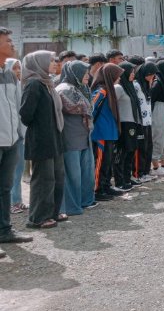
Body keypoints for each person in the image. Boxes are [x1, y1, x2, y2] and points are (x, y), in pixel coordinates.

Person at [20, 51, 66, 229]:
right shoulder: (34, 84)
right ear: (39, 63)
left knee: (57, 177)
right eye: (51, 61)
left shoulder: (48, 83)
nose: (55, 63)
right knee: (43, 179)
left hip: (54, 136)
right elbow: (25, 114)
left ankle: (52, 213)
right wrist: (42, 126)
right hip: (41, 139)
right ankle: (38, 217)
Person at [0, 29, 33, 254]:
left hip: (11, 140)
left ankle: (5, 230)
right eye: (8, 41)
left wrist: (20, 134)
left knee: (5, 188)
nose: (13, 44)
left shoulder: (10, 74)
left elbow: (15, 107)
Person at [56, 60, 97, 215]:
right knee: (73, 174)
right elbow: (80, 107)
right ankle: (72, 206)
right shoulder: (64, 89)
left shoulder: (80, 88)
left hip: (83, 135)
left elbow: (88, 107)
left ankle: (86, 201)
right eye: (85, 72)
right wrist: (87, 105)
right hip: (71, 137)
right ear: (75, 73)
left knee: (85, 172)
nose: (88, 75)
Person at [91, 63, 124, 200]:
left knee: (108, 161)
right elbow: (91, 109)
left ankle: (105, 185)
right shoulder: (102, 91)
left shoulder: (109, 90)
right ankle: (97, 190)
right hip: (100, 132)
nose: (119, 79)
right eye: (117, 76)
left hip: (109, 131)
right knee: (100, 162)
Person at [113, 62, 142, 190]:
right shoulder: (119, 88)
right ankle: (119, 181)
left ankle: (127, 177)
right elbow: (112, 105)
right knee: (122, 153)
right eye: (131, 71)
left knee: (131, 152)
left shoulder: (130, 87)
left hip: (132, 123)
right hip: (124, 124)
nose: (133, 74)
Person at [7, 58, 28, 214]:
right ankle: (10, 202)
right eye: (14, 68)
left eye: (19, 68)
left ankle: (17, 200)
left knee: (18, 170)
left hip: (18, 135)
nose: (18, 71)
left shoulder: (20, 87)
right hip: (6, 136)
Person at [133, 62, 157, 180]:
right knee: (141, 148)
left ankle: (146, 171)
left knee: (148, 147)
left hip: (148, 121)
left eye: (153, 75)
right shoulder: (136, 85)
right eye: (150, 74)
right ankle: (139, 173)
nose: (152, 77)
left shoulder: (148, 84)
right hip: (139, 121)